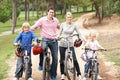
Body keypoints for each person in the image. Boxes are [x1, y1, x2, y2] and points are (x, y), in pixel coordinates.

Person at [30, 7, 60, 80]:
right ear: (48, 12)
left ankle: (53, 75)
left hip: (54, 40)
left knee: (55, 58)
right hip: (45, 39)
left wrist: (65, 30)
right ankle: (41, 64)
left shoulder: (56, 20)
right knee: (42, 49)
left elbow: (60, 28)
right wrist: (25, 30)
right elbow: (34, 27)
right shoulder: (42, 20)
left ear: (54, 13)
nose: (51, 14)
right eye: (50, 12)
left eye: (53, 12)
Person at [57, 12, 86, 80]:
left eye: (70, 17)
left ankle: (79, 74)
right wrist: (57, 37)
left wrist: (83, 39)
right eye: (68, 17)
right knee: (62, 60)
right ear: (66, 18)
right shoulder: (63, 24)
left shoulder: (74, 25)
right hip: (62, 43)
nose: (69, 18)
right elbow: (59, 33)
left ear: (71, 18)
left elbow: (79, 33)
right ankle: (63, 75)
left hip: (70, 44)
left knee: (74, 59)